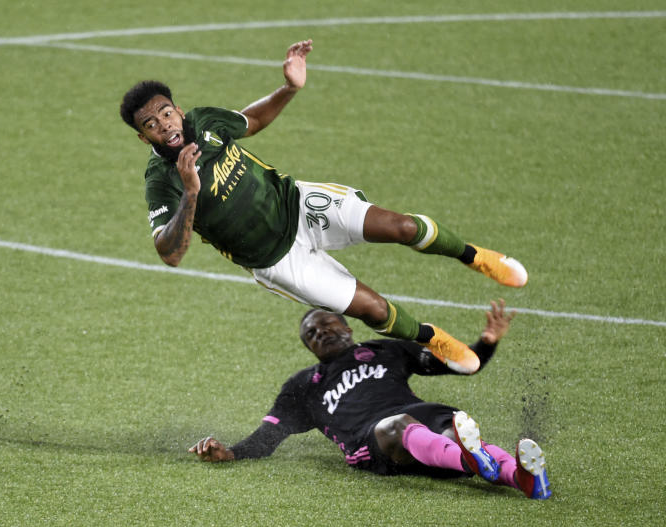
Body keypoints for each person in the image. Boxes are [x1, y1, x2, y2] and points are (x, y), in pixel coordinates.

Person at [119, 40, 529, 375]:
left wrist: (290, 89)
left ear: (179, 110)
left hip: (298, 205)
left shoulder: (205, 122)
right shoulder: (161, 181)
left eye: (166, 113)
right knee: (374, 309)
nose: (164, 125)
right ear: (143, 138)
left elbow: (251, 121)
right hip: (278, 261)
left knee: (403, 227)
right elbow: (169, 254)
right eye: (150, 124)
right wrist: (190, 193)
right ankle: (430, 337)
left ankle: (474, 256)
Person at [187, 300, 552, 500]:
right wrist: (230, 452)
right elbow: (266, 440)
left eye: (326, 323)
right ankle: (473, 460)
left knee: (451, 428)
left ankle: (525, 479)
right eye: (310, 334)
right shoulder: (304, 386)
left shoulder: (387, 350)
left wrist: (487, 341)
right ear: (308, 348)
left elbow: (460, 365)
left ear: (347, 327)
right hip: (371, 441)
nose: (319, 332)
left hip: (421, 416)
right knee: (401, 427)